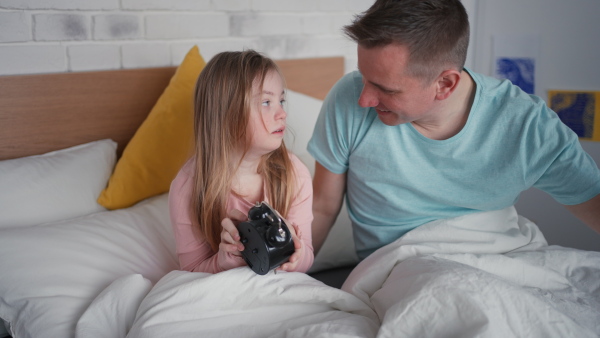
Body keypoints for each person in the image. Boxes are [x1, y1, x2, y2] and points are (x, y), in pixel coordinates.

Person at [308, 0, 600, 260]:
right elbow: (322, 207)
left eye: (386, 89)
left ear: (445, 84)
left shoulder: (526, 124)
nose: (364, 99)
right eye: (364, 77)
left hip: (506, 260)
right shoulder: (347, 100)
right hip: (400, 270)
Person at [170, 50, 314, 273]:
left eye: (281, 101)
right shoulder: (188, 187)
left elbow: (306, 261)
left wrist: (295, 252)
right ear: (227, 115)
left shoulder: (295, 174)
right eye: (266, 102)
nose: (282, 113)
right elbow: (190, 271)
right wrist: (225, 260)